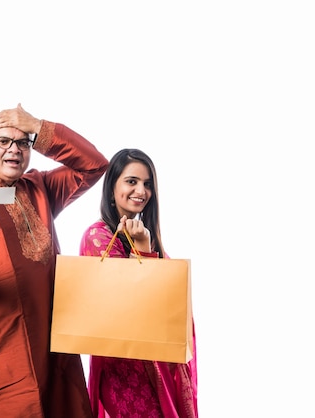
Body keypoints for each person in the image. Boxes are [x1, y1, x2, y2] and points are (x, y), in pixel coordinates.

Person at [0, 103, 109, 417]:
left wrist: (40, 127)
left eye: (23, 142)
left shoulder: (38, 188)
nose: (14, 150)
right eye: (3, 141)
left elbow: (95, 165)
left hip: (53, 343)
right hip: (0, 348)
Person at [79, 148, 198, 418]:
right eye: (131, 181)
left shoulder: (145, 234)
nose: (141, 191)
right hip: (124, 368)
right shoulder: (98, 237)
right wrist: (143, 251)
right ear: (111, 189)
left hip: (157, 362)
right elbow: (127, 307)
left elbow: (169, 299)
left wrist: (146, 246)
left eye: (147, 184)